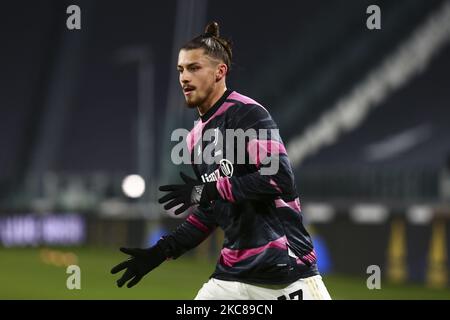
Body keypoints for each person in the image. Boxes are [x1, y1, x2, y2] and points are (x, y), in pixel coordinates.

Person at [111, 21, 331, 300]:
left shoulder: (248, 113)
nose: (184, 78)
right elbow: (213, 210)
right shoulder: (194, 138)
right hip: (231, 280)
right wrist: (161, 251)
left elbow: (278, 178)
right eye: (180, 69)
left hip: (286, 277)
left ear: (219, 72)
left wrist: (209, 190)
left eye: (194, 68)